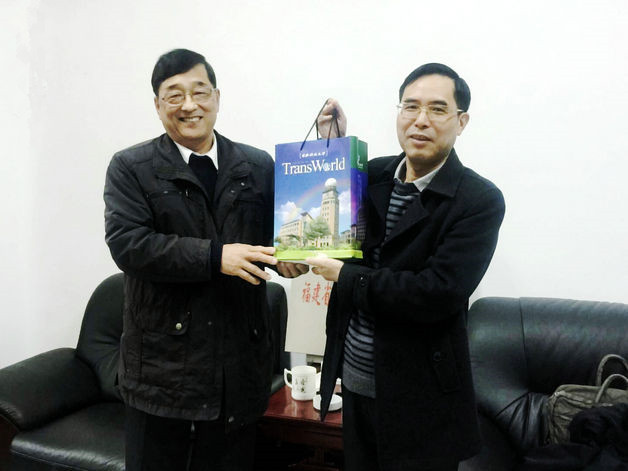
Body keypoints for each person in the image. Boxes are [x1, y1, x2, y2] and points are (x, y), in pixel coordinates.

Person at [104, 48, 302, 471]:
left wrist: (289, 259)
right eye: (174, 95)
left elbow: (272, 242)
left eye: (199, 92)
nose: (189, 105)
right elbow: (129, 244)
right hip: (161, 373)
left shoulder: (256, 165)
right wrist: (215, 257)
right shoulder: (131, 167)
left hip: (238, 368)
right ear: (157, 104)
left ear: (217, 97)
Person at [307, 63, 506, 470]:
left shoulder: (478, 200)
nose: (421, 120)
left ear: (461, 121)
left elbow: (435, 293)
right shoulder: (373, 174)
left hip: (421, 402)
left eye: (437, 109)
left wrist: (345, 276)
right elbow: (331, 222)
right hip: (355, 384)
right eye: (410, 106)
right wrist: (333, 150)